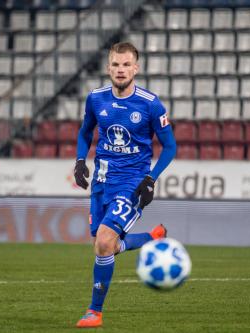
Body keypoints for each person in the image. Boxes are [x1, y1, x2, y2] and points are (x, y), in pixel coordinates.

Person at [74, 42, 177, 328]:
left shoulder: (150, 104)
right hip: (102, 180)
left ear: (136, 68)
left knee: (105, 242)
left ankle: (94, 312)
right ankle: (150, 238)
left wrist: (150, 179)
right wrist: (80, 160)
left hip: (132, 182)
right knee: (102, 244)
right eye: (115, 65)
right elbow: (85, 132)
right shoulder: (96, 98)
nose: (121, 70)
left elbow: (169, 147)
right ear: (108, 68)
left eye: (126, 64)